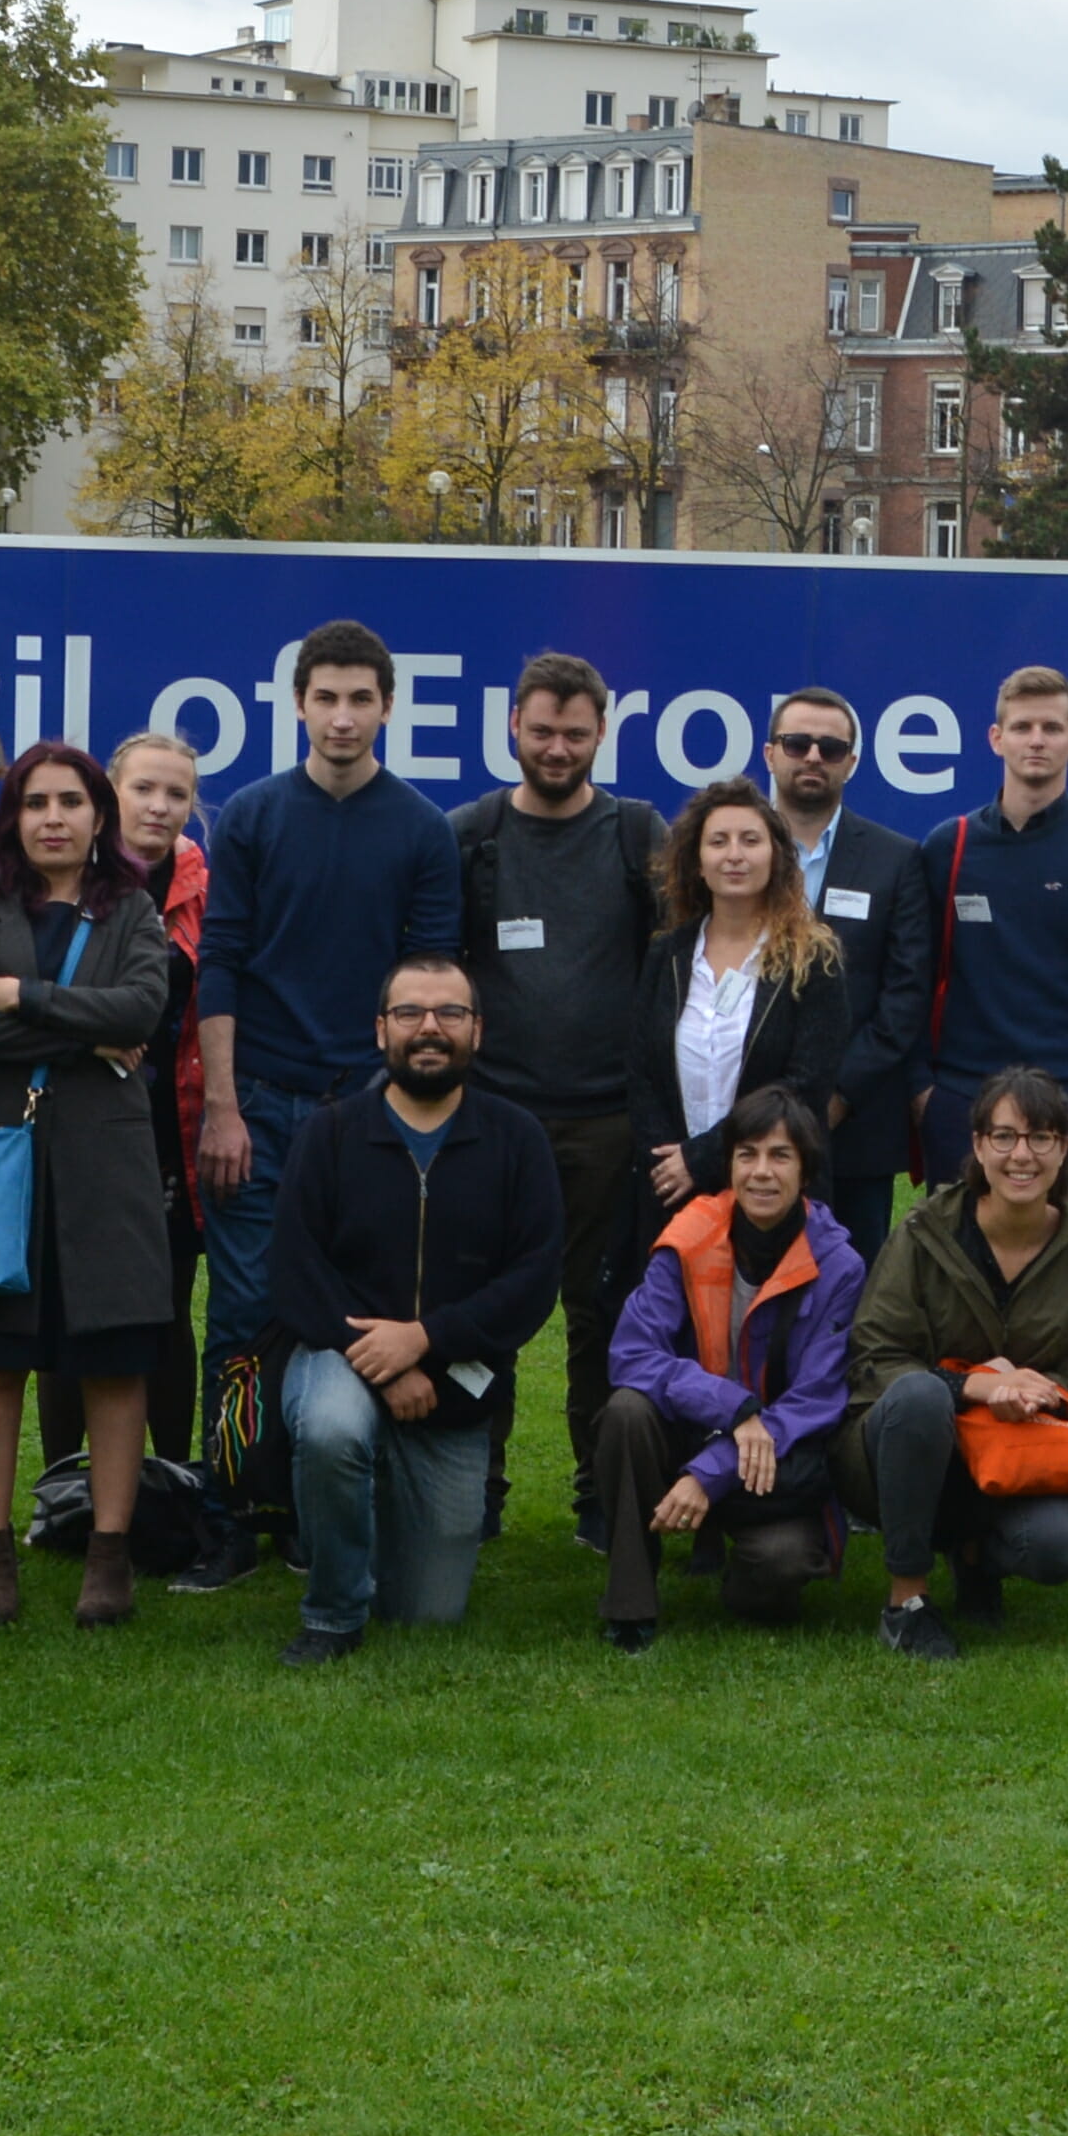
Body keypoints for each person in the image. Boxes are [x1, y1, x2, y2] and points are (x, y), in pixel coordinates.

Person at [197, 620, 464, 1559]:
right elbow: (219, 961)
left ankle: (330, 1513)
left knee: (358, 1316)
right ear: (298, 704)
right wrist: (222, 1109)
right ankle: (230, 1510)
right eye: (326, 698)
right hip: (259, 1108)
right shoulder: (253, 817)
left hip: (367, 1116)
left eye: (361, 699)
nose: (342, 716)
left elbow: (427, 990)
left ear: (387, 707)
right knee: (237, 1320)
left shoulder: (424, 830)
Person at [0, 739, 183, 1630]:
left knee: (113, 1362)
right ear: (14, 818)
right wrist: (84, 1035)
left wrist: (22, 999)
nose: (53, 819)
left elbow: (142, 1011)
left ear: (99, 815)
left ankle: (109, 1556)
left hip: (106, 1164)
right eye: (35, 804)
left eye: (71, 802)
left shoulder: (132, 910)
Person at [256, 951, 564, 1661]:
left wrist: (426, 1340)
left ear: (477, 1031)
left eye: (450, 1013)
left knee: (426, 1614)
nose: (430, 1028)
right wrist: (386, 1363)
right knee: (334, 1427)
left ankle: (365, 1515)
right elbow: (297, 1269)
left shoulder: (518, 1139)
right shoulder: (329, 1135)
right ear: (380, 1031)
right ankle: (331, 1614)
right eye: (410, 1014)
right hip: (342, 1357)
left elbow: (532, 1279)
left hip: (456, 1384)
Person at [448, 650, 671, 1545]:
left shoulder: (639, 834)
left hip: (610, 1121)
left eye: (575, 733)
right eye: (542, 729)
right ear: (512, 726)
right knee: (481, 1313)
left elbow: (670, 970)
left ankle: (597, 1492)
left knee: (601, 1315)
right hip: (494, 1120)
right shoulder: (469, 833)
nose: (557, 747)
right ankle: (475, 1486)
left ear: (601, 735)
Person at [843, 1064, 1068, 1660]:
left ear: (1064, 1150)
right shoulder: (924, 1233)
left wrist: (1031, 1394)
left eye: (1041, 1138)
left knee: (1060, 1548)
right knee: (920, 1398)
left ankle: (975, 1556)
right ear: (978, 1146)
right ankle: (907, 1603)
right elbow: (874, 1357)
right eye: (1003, 1137)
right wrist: (976, 1387)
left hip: (1020, 1452)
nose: (1020, 1156)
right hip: (903, 1448)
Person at [591, 1091, 865, 1647]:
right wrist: (733, 1409)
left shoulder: (840, 1265)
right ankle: (629, 1605)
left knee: (777, 1577)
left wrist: (709, 1472)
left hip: (777, 1458)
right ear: (728, 1166)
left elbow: (818, 1398)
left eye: (780, 1156)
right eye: (747, 1155)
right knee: (624, 1412)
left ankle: (735, 1563)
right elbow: (631, 1353)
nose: (762, 1173)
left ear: (806, 1171)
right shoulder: (688, 1239)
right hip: (692, 1429)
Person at [875, 665, 1068, 1219]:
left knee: (1058, 1284)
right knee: (956, 1275)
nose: (1037, 740)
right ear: (996, 738)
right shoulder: (949, 847)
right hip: (960, 1103)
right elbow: (913, 981)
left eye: (1052, 727)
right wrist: (924, 1093)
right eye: (1022, 727)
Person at [93, 728, 229, 1575]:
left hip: (171, 1130)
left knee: (168, 1306)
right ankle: (67, 1487)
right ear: (112, 792)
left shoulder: (208, 890)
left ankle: (174, 1477)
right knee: (78, 1311)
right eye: (143, 789)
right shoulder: (68, 874)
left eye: (175, 795)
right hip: (76, 1126)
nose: (157, 806)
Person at [637, 776, 866, 1210]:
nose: (735, 855)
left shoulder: (813, 960)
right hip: (673, 1190)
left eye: (750, 840)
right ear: (697, 861)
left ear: (777, 856)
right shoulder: (666, 954)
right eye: (718, 842)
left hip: (773, 1189)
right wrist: (671, 1164)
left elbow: (805, 1087)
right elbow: (643, 1072)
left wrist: (703, 1158)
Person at [757, 685, 921, 1252]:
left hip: (852, 1129)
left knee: (854, 1300)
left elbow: (905, 996)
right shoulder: (729, 848)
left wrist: (838, 1096)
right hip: (742, 1120)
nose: (812, 758)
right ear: (769, 752)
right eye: (797, 743)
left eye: (830, 748)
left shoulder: (896, 860)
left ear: (851, 762)